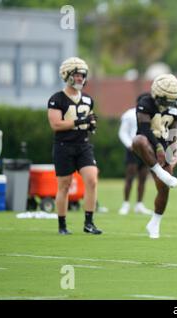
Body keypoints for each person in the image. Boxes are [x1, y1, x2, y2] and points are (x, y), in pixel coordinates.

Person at [47, 57, 102, 235]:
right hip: (64, 145)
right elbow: (56, 124)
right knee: (64, 185)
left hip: (83, 144)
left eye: (82, 75)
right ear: (67, 75)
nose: (80, 79)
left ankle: (89, 222)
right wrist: (81, 121)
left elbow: (89, 119)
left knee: (92, 180)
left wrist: (91, 124)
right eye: (77, 75)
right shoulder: (57, 99)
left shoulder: (87, 99)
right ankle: (62, 225)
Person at [132, 74, 177, 239]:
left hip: (164, 147)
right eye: (165, 99)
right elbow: (144, 129)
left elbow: (174, 133)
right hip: (147, 144)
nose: (168, 104)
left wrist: (175, 152)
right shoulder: (145, 102)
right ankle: (159, 172)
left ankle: (154, 222)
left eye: (171, 100)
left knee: (164, 188)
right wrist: (159, 147)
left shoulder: (175, 109)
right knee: (138, 140)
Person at [118, 105, 152, 216]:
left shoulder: (151, 113)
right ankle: (126, 204)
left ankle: (139, 205)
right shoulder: (130, 114)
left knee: (143, 177)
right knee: (130, 177)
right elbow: (122, 132)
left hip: (146, 149)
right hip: (133, 149)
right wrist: (129, 145)